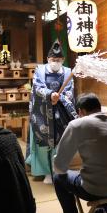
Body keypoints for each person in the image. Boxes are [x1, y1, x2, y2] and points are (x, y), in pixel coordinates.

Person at [53, 93, 107, 213]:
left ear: (81, 111)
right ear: (99, 108)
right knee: (102, 174)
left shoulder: (77, 125)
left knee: (58, 178)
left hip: (94, 190)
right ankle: (101, 212)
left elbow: (59, 166)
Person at [26, 39, 77, 184]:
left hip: (60, 110)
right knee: (42, 143)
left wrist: (59, 97)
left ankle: (58, 170)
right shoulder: (40, 70)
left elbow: (69, 91)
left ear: (63, 60)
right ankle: (45, 171)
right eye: (53, 59)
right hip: (42, 112)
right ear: (48, 59)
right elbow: (37, 87)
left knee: (60, 141)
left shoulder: (67, 71)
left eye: (59, 60)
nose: (56, 62)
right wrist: (50, 94)